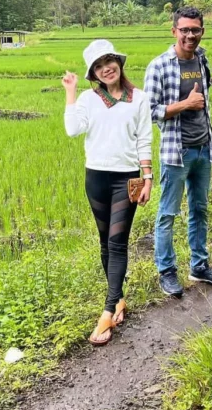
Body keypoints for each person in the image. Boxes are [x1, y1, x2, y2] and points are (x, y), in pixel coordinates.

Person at [63, 39, 153, 346]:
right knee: (105, 242)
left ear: (118, 62)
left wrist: (148, 177)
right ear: (94, 73)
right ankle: (119, 300)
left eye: (109, 61)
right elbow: (73, 130)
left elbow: (144, 139)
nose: (106, 69)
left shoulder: (138, 98)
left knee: (118, 240)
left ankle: (107, 309)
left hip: (126, 179)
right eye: (99, 66)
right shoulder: (89, 99)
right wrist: (71, 93)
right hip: (96, 177)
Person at [144, 6, 212, 297]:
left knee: (199, 210)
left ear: (201, 31)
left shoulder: (201, 58)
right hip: (175, 152)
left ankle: (200, 266)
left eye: (195, 30)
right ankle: (166, 271)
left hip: (203, 149)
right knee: (168, 214)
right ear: (174, 31)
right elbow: (149, 111)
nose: (190, 35)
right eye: (185, 30)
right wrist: (184, 105)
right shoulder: (159, 66)